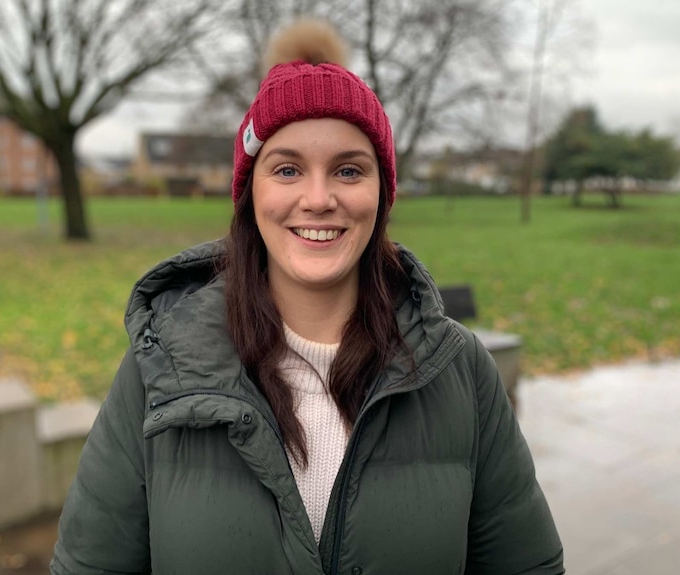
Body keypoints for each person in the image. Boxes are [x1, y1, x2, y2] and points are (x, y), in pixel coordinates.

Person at [51, 19, 563, 575]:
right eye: (288, 169)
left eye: (348, 169)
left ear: (381, 195)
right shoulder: (160, 370)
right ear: (251, 195)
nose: (318, 199)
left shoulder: (461, 371)